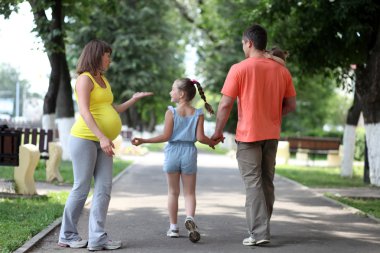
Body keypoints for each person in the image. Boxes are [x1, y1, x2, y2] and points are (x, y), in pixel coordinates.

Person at [58, 39, 153, 251]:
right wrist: (102, 137)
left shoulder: (103, 79)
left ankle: (97, 238)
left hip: (103, 141)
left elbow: (112, 109)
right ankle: (67, 234)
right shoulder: (85, 79)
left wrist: (133, 100)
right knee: (81, 188)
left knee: (104, 188)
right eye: (107, 54)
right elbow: (85, 111)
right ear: (96, 55)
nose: (109, 58)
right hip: (85, 139)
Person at [211, 24, 296, 246]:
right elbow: (291, 105)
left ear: (249, 42)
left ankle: (259, 233)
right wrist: (273, 116)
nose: (242, 47)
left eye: (242, 44)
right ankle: (263, 226)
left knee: (254, 184)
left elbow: (225, 105)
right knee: (267, 182)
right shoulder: (282, 70)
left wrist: (218, 132)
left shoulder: (239, 68)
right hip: (272, 134)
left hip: (249, 135)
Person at [132, 78, 217, 243]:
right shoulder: (198, 113)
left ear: (181, 94)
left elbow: (165, 136)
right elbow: (200, 137)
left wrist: (144, 140)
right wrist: (212, 142)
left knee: (173, 192)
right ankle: (190, 217)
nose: (171, 92)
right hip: (189, 153)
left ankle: (173, 228)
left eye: (173, 89)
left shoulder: (171, 112)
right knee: (189, 192)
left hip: (172, 153)